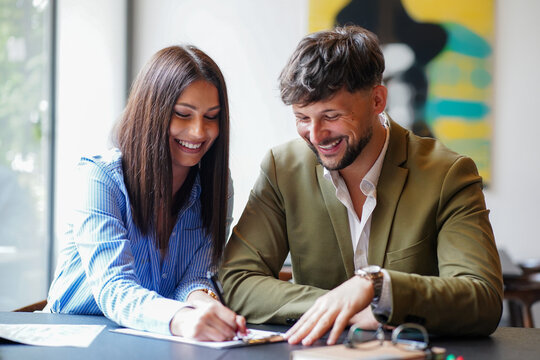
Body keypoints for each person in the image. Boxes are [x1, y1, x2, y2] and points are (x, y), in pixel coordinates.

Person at [220, 25, 502, 346]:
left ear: (378, 99)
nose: (315, 135)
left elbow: (483, 297)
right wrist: (336, 306)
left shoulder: (448, 173)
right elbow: (236, 280)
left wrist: (378, 286)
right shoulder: (281, 168)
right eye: (302, 118)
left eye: (331, 115)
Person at [45, 45, 246, 341]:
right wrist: (181, 318)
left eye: (211, 117)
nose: (199, 132)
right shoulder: (99, 178)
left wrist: (203, 301)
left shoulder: (217, 186)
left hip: (150, 339)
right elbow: (113, 287)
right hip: (73, 340)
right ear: (152, 111)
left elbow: (195, 276)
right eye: (183, 114)